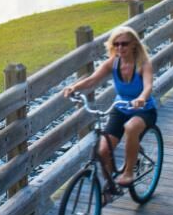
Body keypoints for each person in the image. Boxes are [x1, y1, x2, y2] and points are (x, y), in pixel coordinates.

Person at [62, 26, 156, 188]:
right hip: (120, 108)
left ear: (134, 44)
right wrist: (74, 87)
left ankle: (128, 173)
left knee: (131, 127)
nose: (120, 47)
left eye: (124, 44)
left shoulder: (143, 64)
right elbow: (92, 79)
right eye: (116, 44)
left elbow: (148, 86)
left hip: (143, 109)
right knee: (103, 151)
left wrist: (141, 98)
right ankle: (110, 185)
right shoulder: (113, 63)